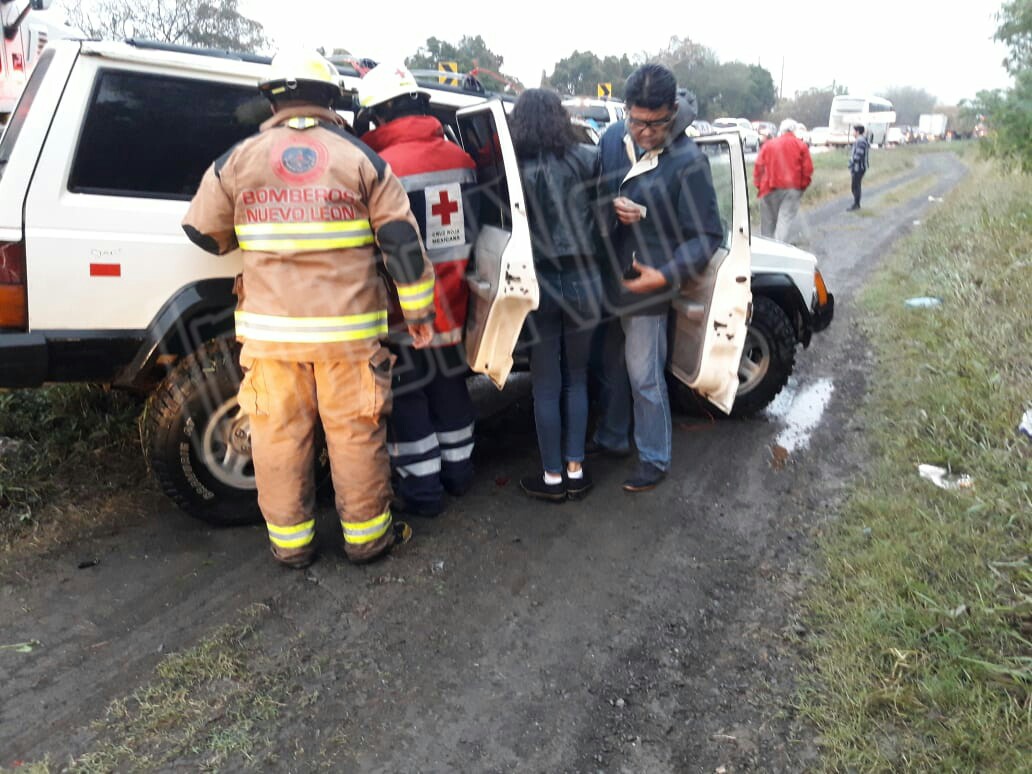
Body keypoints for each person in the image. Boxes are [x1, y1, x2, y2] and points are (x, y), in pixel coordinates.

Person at [182, 50, 436, 568]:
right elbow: (402, 246)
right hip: (349, 338)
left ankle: (291, 546)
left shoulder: (239, 158)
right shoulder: (362, 158)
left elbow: (201, 233)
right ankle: (367, 539)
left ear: (272, 98)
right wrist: (418, 314)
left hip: (271, 339)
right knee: (354, 436)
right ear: (331, 99)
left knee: (276, 439)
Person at [591, 63, 723, 492]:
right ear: (626, 111)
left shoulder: (689, 160)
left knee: (644, 374)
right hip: (610, 273)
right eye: (637, 121)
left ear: (673, 111)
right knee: (609, 363)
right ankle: (612, 437)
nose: (645, 132)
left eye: (657, 123)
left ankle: (654, 456)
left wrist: (665, 274)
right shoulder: (612, 139)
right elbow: (595, 192)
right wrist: (610, 206)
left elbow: (706, 235)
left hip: (651, 282)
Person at [356, 64, 478, 518]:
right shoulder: (461, 159)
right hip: (455, 304)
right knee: (451, 391)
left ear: (376, 115)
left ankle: (424, 494)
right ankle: (460, 475)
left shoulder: (375, 168)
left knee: (408, 400)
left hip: (402, 310)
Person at [507, 88, 602, 502]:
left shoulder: (513, 169)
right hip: (586, 279)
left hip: (539, 282)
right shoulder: (586, 159)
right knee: (577, 378)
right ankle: (576, 470)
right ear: (560, 118)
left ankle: (550, 478)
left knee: (545, 383)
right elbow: (604, 220)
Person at [753, 118, 813, 241]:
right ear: (794, 131)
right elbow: (807, 170)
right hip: (792, 189)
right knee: (784, 220)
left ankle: (767, 249)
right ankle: (779, 249)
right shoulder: (801, 146)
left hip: (768, 188)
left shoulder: (768, 145)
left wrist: (759, 185)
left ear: (781, 130)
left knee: (767, 224)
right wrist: (801, 187)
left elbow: (759, 166)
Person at [847, 124, 870, 211]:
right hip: (859, 167)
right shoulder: (861, 140)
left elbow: (859, 155)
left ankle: (856, 204)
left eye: (854, 131)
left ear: (857, 132)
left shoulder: (860, 141)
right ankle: (856, 204)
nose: (853, 133)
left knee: (855, 186)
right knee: (856, 185)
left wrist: (851, 163)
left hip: (859, 167)